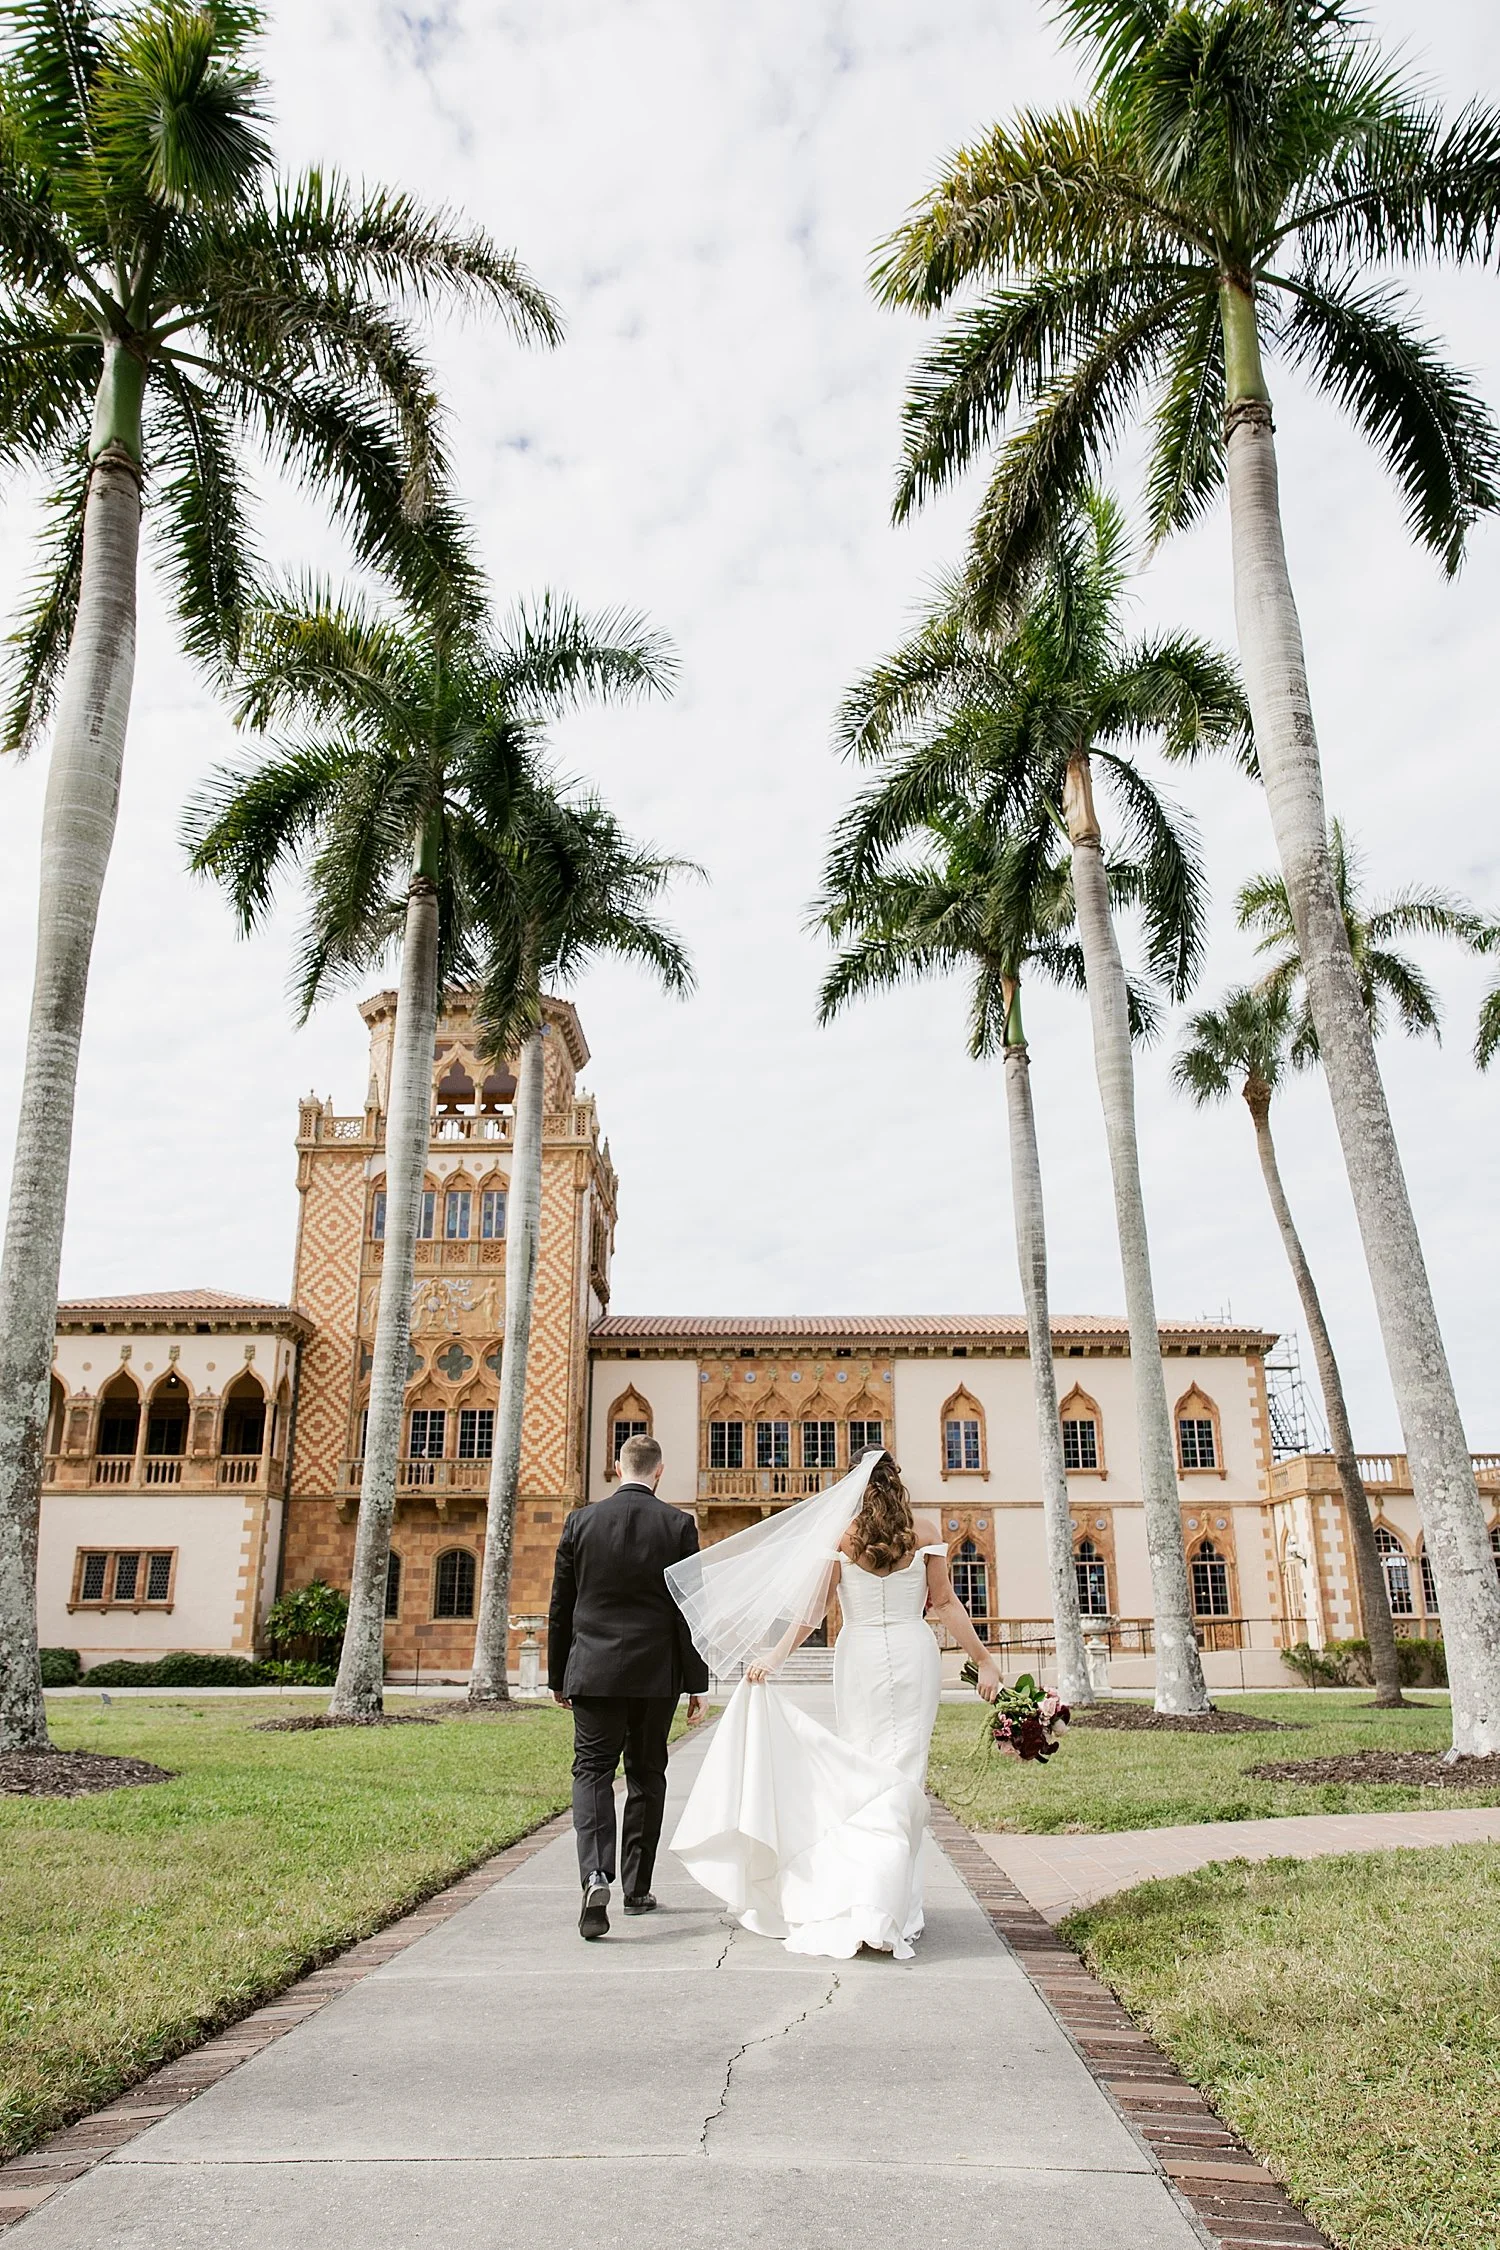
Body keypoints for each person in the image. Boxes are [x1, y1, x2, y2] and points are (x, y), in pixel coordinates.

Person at [666, 1450, 999, 1960]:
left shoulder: (842, 1535)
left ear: (856, 1485)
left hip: (860, 1654)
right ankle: (898, 1909)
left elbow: (815, 1611)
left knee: (864, 1773)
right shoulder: (925, 1529)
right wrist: (985, 1660)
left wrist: (774, 1656)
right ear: (897, 1479)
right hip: (913, 1652)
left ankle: (870, 1899)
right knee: (906, 1772)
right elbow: (945, 1603)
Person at [548, 1432, 708, 1940]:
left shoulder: (581, 1521)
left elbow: (562, 1606)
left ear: (618, 1467)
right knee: (646, 1775)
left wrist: (558, 1675)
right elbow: (691, 1608)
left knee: (592, 1770)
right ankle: (637, 1890)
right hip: (656, 1674)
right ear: (659, 1472)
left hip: (592, 1671)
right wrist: (695, 1682)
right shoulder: (679, 1525)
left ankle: (595, 1874)